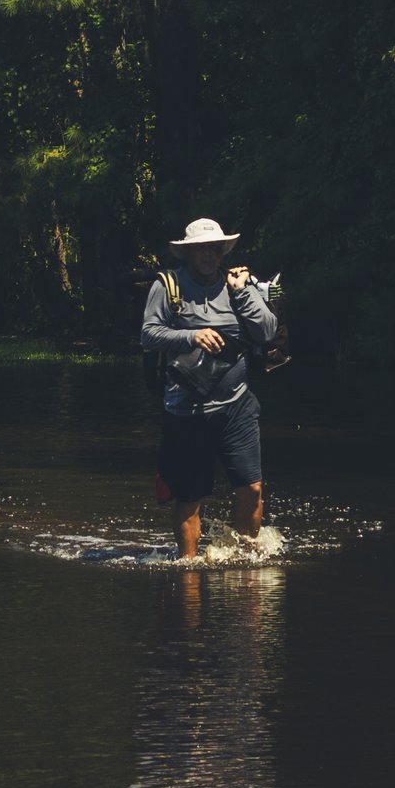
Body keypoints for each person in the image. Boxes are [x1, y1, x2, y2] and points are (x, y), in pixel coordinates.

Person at [142, 217, 281, 559]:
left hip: (237, 407)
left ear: (222, 251)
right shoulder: (168, 285)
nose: (208, 255)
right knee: (190, 498)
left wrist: (243, 291)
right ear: (188, 254)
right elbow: (148, 333)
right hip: (186, 410)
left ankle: (247, 558)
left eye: (213, 248)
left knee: (252, 487)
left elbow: (267, 331)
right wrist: (191, 336)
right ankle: (188, 568)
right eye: (200, 249)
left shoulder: (239, 286)